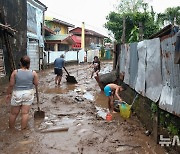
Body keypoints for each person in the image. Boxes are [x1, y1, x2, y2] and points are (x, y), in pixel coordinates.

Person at [6, 55, 38, 130]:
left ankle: (11, 130)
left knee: (13, 113)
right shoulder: (33, 73)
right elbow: (36, 83)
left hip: (17, 93)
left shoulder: (15, 72)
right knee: (25, 113)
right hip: (28, 93)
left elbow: (11, 85)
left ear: (20, 63)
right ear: (29, 64)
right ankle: (23, 130)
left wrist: (8, 94)